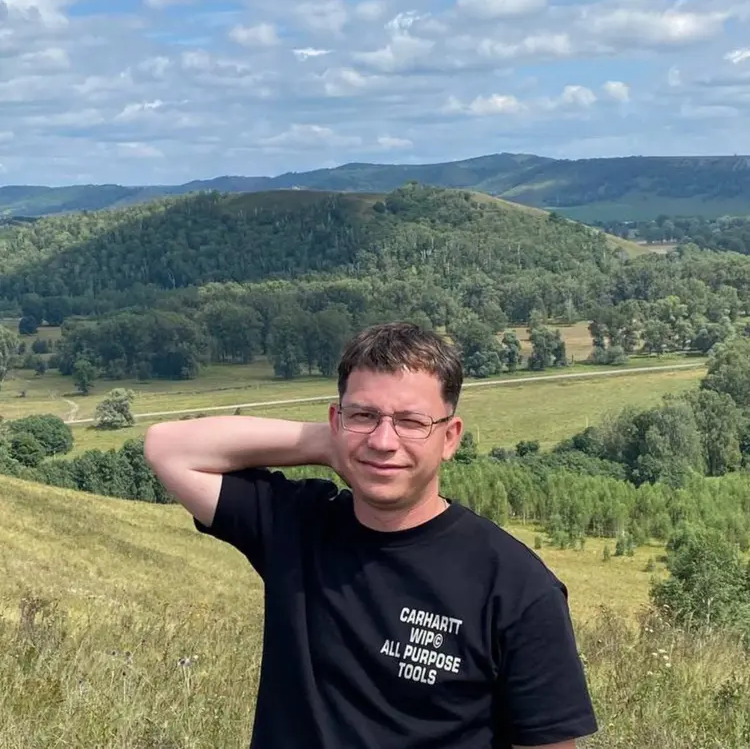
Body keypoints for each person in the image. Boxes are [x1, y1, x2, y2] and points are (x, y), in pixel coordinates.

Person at [144, 321, 598, 749]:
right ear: (336, 420)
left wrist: (355, 435)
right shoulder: (295, 525)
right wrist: (334, 444)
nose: (383, 441)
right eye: (364, 415)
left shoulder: (516, 588)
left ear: (450, 437)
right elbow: (168, 448)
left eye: (411, 422)